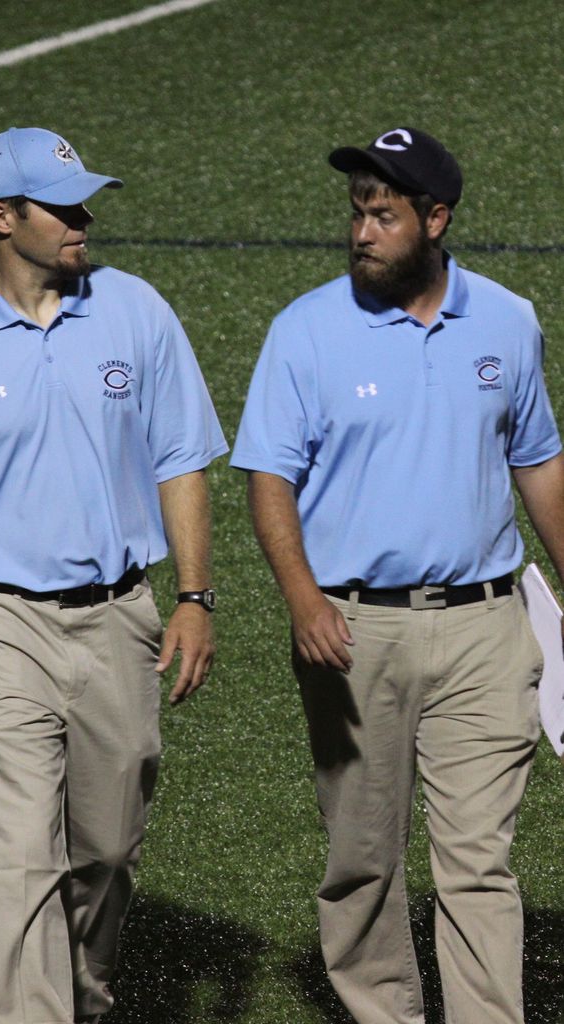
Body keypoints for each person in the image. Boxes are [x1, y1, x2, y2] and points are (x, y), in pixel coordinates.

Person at [0, 126, 227, 1024]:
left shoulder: (135, 311)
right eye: (64, 207)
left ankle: (85, 996)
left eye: (85, 205)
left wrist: (194, 596)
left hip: (119, 617)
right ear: (1, 217)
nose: (83, 223)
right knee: (19, 859)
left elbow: (181, 459)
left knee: (107, 851)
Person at [230, 126, 564, 1024]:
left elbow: (537, 461)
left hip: (487, 628)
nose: (361, 233)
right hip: (352, 631)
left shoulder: (506, 320)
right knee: (362, 859)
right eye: (356, 214)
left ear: (435, 219)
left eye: (382, 216)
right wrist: (302, 599)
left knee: (478, 862)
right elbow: (268, 479)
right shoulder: (305, 331)